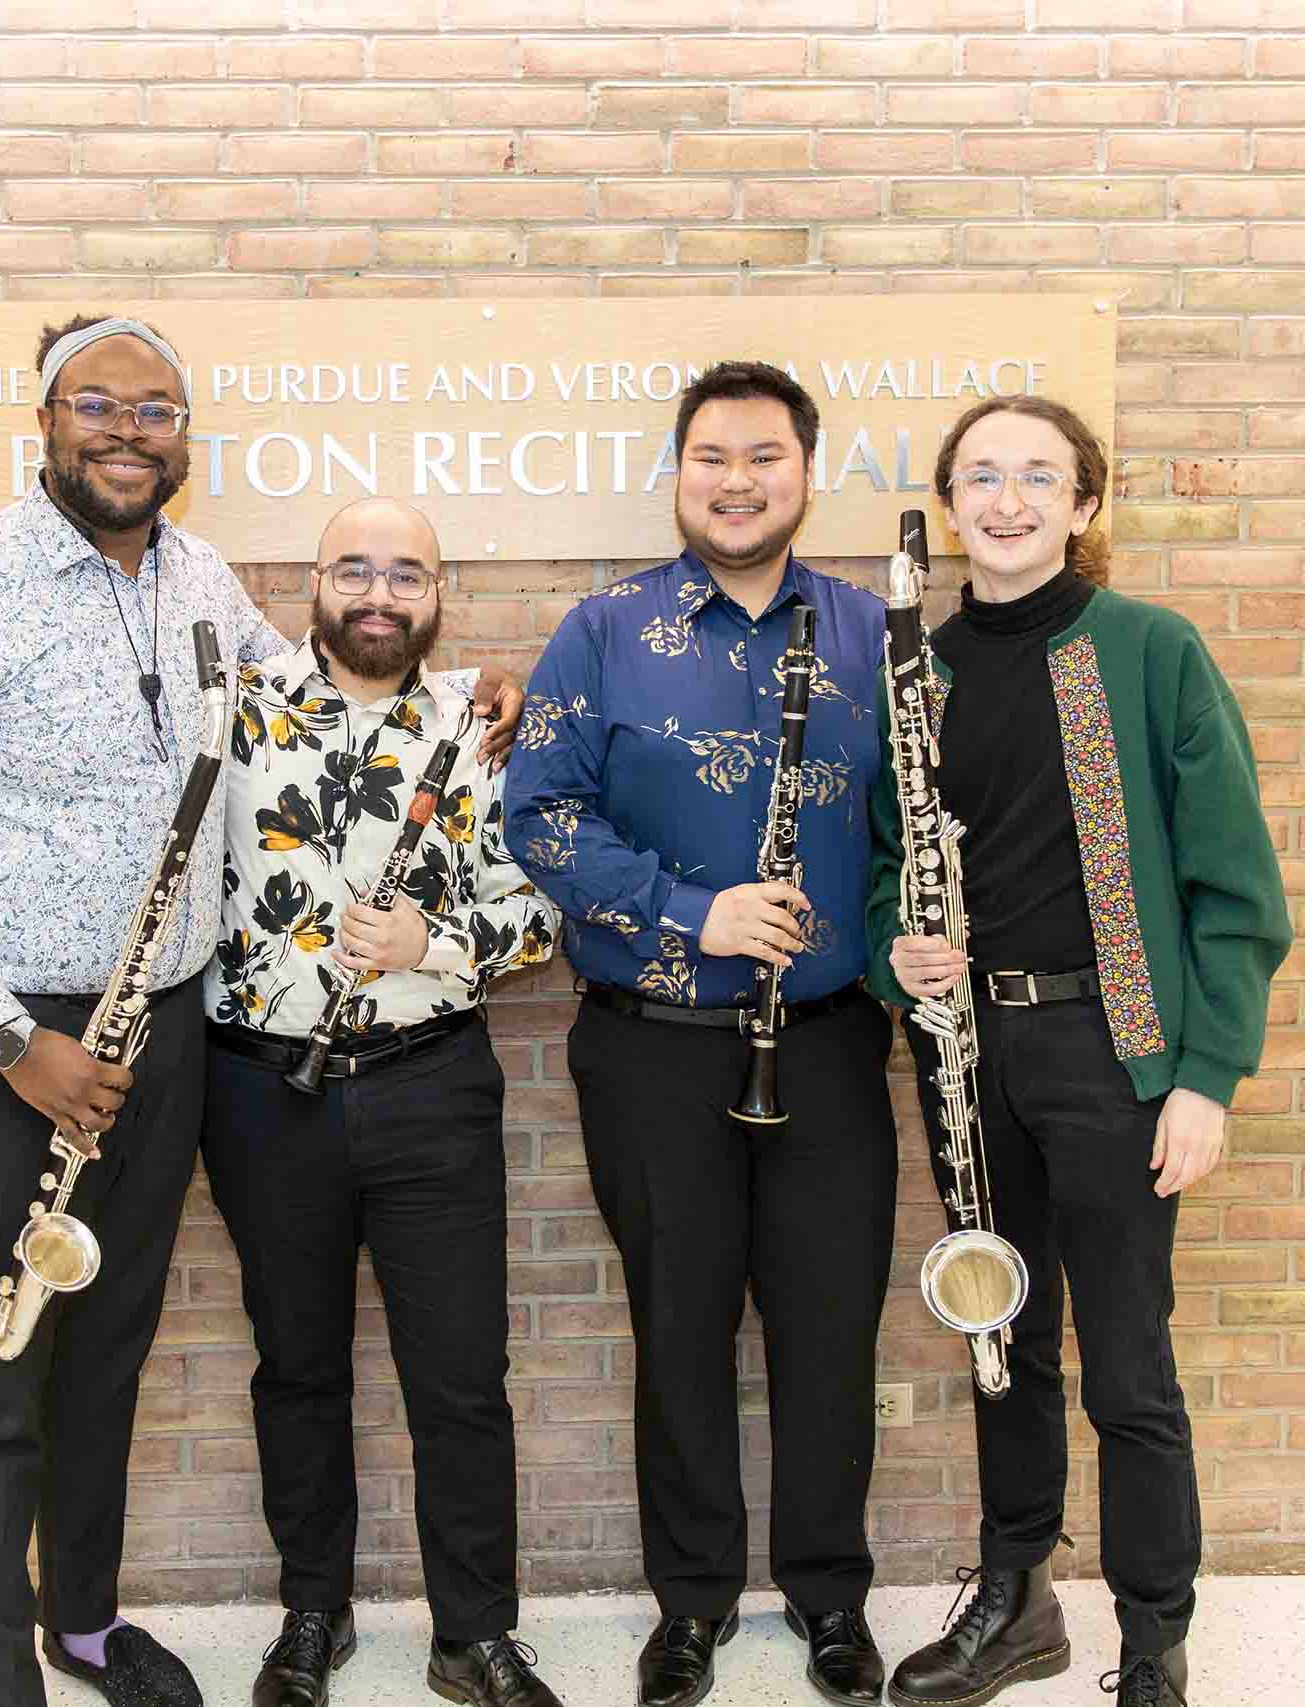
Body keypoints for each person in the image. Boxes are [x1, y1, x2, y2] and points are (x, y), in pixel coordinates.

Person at [0, 317, 517, 1707]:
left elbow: (314, 694)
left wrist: (466, 688)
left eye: (156, 409)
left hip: (168, 1030)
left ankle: (82, 1624)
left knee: (110, 1341)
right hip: (10, 1044)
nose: (128, 431)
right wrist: (13, 1043)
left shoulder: (196, 576)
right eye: (99, 403)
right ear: (45, 419)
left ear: (182, 438)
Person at [866, 397, 1292, 1707]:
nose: (1006, 499)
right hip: (970, 1050)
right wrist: (902, 941)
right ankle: (1018, 1601)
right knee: (1003, 1331)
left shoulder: (1152, 649)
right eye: (980, 477)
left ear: (1084, 505)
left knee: (1129, 1353)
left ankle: (1157, 1635)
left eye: (1037, 477)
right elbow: (893, 856)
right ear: (947, 504)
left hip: (1116, 1053)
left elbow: (1237, 878)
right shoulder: (917, 669)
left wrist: (1208, 1071)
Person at [503, 362, 896, 1707]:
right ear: (679, 471)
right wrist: (697, 910)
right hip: (655, 1036)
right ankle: (692, 1601)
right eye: (714, 455)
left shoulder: (873, 632)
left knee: (829, 1326)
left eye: (767, 457)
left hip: (833, 1040)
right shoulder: (601, 630)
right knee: (679, 1324)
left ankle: (832, 1594)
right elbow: (541, 814)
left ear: (806, 472)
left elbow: (921, 830)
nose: (739, 479)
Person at [200, 497, 564, 1707]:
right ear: (310, 582)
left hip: (430, 1085)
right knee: (295, 1369)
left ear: (438, 589)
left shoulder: (483, 725)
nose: (377, 593)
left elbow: (540, 909)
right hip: (263, 1092)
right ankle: (314, 1615)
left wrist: (434, 939)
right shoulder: (235, 711)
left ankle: (473, 1634)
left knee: (459, 1377)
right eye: (353, 568)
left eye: (405, 573)